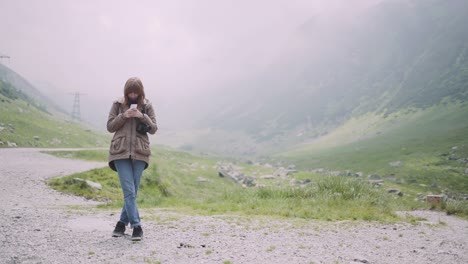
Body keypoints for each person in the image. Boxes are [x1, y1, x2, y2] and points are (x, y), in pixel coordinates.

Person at [107, 77, 157, 241]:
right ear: (126, 92)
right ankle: (137, 227)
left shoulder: (147, 106)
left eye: (136, 92)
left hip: (140, 153)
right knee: (129, 191)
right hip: (120, 152)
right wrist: (124, 115)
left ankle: (121, 223)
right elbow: (110, 126)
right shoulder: (117, 105)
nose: (133, 95)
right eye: (130, 92)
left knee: (132, 192)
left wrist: (142, 116)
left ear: (141, 92)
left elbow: (154, 129)